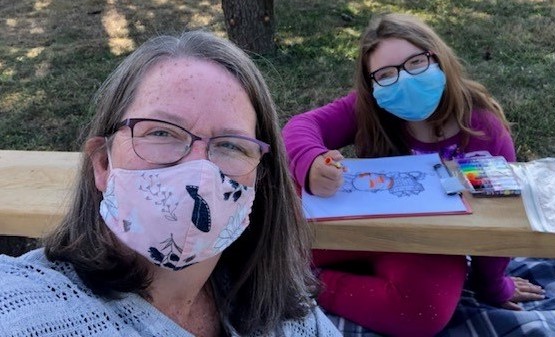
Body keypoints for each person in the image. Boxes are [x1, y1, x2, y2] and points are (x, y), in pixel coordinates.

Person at [0, 31, 341, 337]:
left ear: (260, 180)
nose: (199, 170)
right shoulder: (23, 306)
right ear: (102, 163)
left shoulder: (287, 316)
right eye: (161, 132)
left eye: (230, 145)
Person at [283, 13, 546, 337]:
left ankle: (306, 282)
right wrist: (311, 162)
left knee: (423, 311)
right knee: (273, 240)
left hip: (428, 246)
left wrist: (492, 285)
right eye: (386, 75)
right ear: (371, 86)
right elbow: (301, 127)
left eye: (416, 63)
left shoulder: (483, 130)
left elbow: (498, 220)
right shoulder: (368, 110)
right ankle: (288, 269)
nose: (404, 80)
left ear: (439, 58)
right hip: (360, 225)